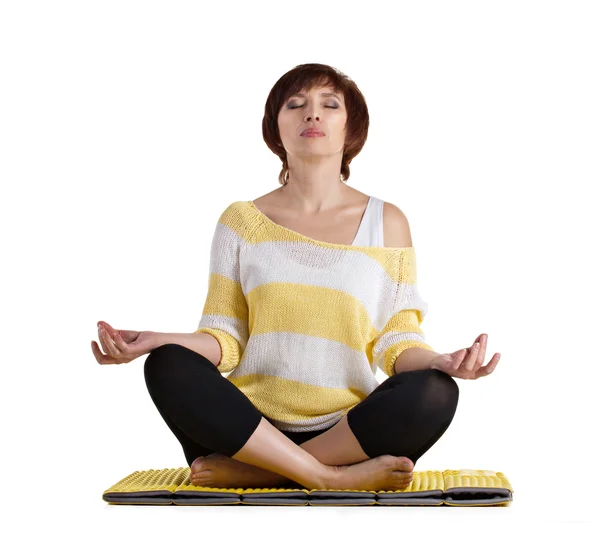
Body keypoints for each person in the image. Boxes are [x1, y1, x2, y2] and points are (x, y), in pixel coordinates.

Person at [91, 63, 501, 492]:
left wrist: (438, 362)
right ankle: (322, 477)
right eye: (296, 104)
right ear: (275, 128)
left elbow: (396, 338)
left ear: (352, 128)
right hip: (245, 431)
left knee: (435, 391)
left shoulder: (387, 222)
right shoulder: (242, 221)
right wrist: (160, 339)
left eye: (329, 104)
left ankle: (270, 474)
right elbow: (225, 337)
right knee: (167, 365)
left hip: (348, 434)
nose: (313, 114)